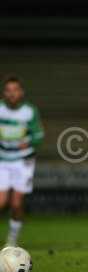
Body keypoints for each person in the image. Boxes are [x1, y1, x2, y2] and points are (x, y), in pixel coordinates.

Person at [0, 76, 44, 247]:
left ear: (21, 92)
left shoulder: (29, 111)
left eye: (15, 90)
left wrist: (30, 141)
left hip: (23, 160)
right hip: (2, 159)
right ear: (4, 93)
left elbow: (39, 135)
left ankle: (12, 239)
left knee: (16, 204)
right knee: (1, 202)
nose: (12, 94)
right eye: (8, 90)